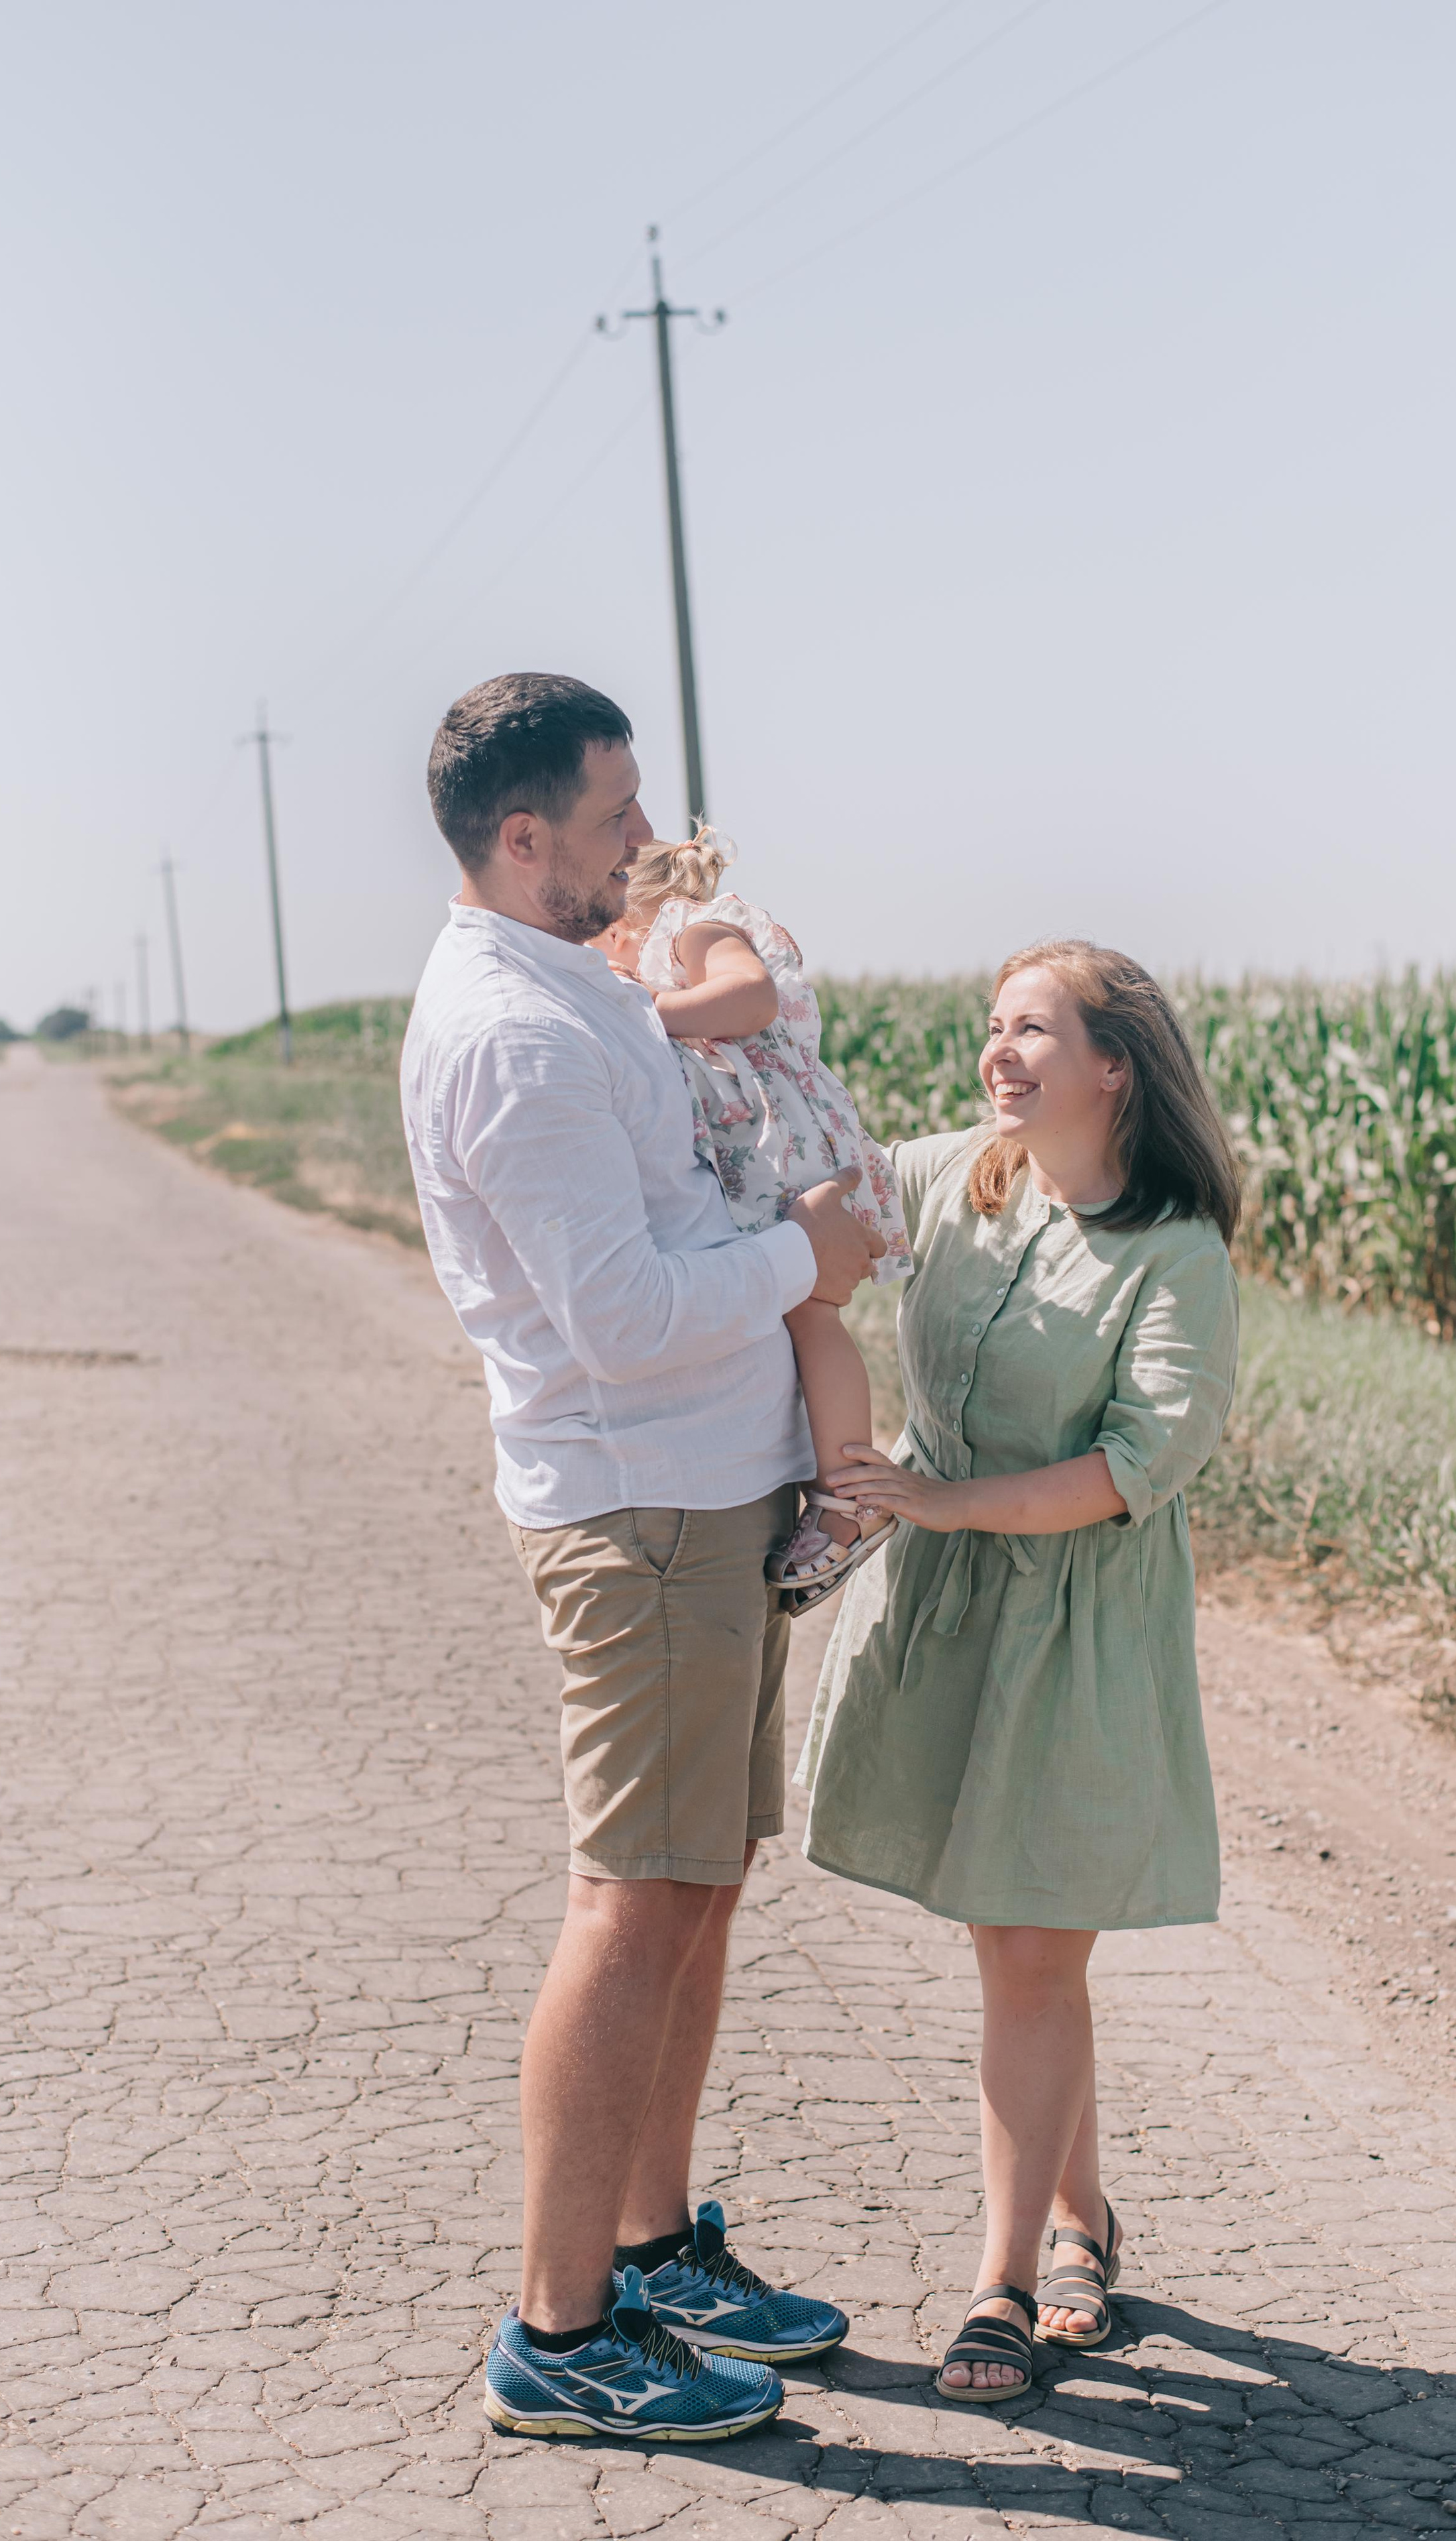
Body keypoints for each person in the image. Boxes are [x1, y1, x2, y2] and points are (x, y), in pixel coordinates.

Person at [400, 673, 883, 2444]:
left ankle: (656, 2245)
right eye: (610, 815)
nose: (637, 836)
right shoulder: (514, 1035)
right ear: (519, 839)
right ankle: (561, 2326)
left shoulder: (569, 986)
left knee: (696, 1883)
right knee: (631, 1900)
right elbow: (611, 1315)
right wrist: (807, 1258)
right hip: (641, 1510)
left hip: (708, 1494)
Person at [796, 940, 1242, 2404]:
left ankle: (996, 2284)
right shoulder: (950, 1179)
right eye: (991, 1027)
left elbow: (1132, 1470)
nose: (999, 1053)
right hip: (946, 1610)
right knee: (1019, 1942)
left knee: (1031, 1943)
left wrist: (932, 1501)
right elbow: (802, 1195)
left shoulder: (1174, 1252)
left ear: (1111, 1066)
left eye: (1033, 1031)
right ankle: (1078, 2227)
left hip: (1073, 1630)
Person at [599, 830, 911, 1607]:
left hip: (786, 1149)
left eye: (606, 927)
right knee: (790, 1316)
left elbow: (751, 998)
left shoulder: (695, 928)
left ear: (637, 907)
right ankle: (826, 1489)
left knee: (812, 1312)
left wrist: (648, 1009)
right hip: (764, 1146)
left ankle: (850, 1503)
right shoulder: (663, 941)